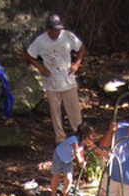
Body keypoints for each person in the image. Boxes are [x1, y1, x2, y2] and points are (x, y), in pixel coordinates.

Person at [25, 13, 85, 143]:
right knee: (55, 111)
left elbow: (81, 47)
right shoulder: (41, 41)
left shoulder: (67, 36)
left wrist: (76, 64)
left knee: (74, 109)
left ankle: (79, 134)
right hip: (51, 79)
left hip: (67, 78)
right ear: (48, 30)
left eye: (59, 29)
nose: (57, 32)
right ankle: (60, 138)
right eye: (55, 30)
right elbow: (29, 54)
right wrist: (40, 67)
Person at [49, 123, 95, 196]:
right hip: (59, 156)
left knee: (69, 179)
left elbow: (81, 152)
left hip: (68, 160)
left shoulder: (83, 143)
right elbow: (77, 152)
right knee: (56, 175)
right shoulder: (74, 141)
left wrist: (82, 161)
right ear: (83, 136)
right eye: (88, 138)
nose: (88, 141)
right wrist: (80, 162)